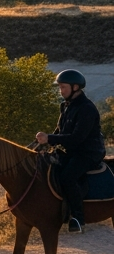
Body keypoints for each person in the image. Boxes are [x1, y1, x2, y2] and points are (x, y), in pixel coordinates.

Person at [37, 69, 105, 234]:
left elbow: (77, 138)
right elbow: (60, 131)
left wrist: (50, 138)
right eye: (60, 87)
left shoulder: (87, 108)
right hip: (70, 150)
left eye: (64, 87)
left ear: (75, 87)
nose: (61, 91)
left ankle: (77, 218)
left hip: (88, 152)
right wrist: (42, 145)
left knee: (67, 177)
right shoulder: (65, 106)